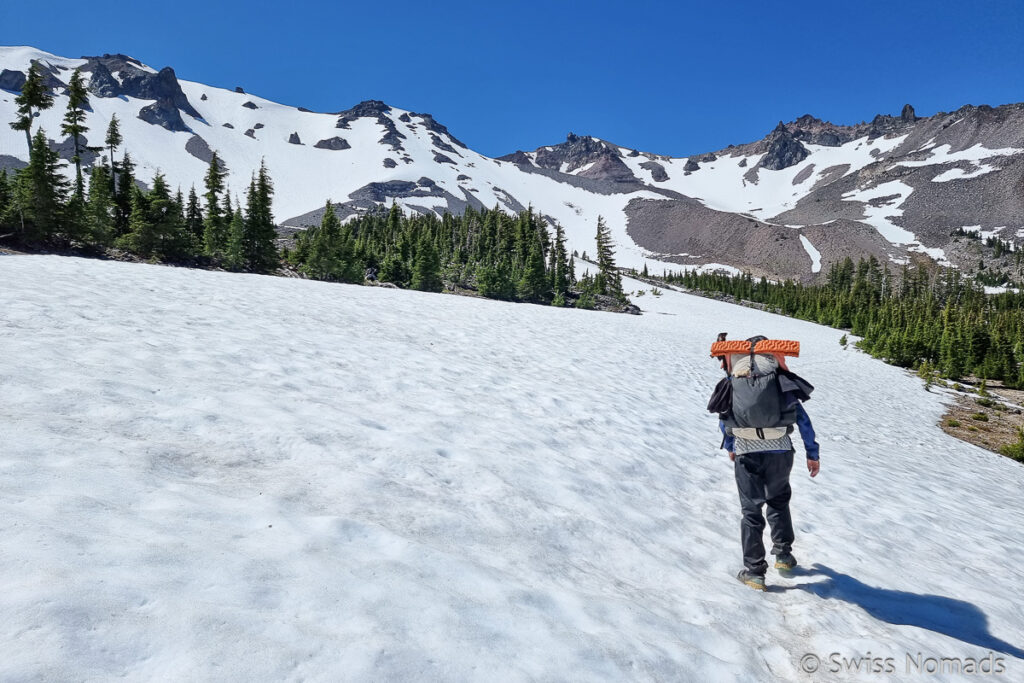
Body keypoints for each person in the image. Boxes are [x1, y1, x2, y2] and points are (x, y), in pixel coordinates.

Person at [710, 335, 819, 592]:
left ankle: (755, 573)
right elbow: (802, 419)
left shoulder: (733, 380)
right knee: (778, 502)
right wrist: (812, 453)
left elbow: (724, 417)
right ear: (771, 356)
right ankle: (783, 556)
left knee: (751, 511)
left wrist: (730, 446)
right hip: (780, 450)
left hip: (747, 451)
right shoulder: (780, 380)